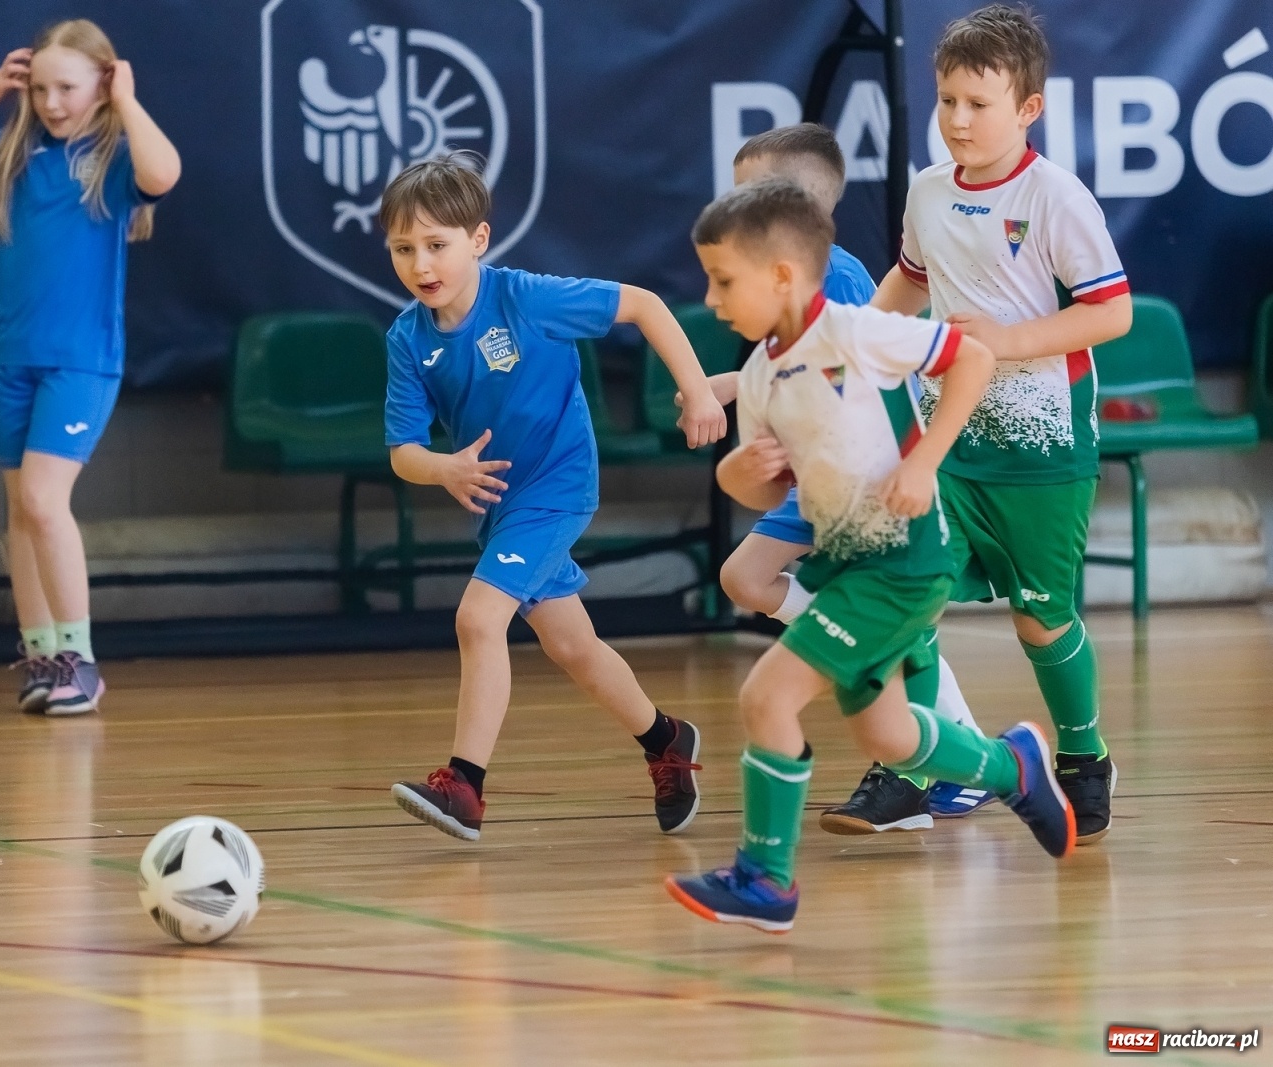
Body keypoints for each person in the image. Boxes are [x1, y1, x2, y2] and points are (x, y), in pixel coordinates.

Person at [665, 178, 1076, 933]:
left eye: (725, 281)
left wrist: (923, 464)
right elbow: (750, 482)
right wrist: (741, 473)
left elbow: (973, 358)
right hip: (851, 562)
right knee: (888, 736)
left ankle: (766, 878)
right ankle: (1011, 765)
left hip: (905, 562)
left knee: (768, 697)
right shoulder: (760, 372)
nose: (713, 299)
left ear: (783, 275)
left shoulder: (857, 331)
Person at [381, 153, 727, 841]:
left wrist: (694, 388)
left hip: (559, 484)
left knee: (480, 620)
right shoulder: (407, 338)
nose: (422, 262)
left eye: (437, 245)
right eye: (403, 248)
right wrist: (444, 468)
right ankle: (666, 740)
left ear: (477, 241)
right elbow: (403, 452)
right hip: (504, 505)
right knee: (572, 646)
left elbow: (644, 304)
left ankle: (466, 788)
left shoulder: (524, 298)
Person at [869, 4, 1131, 843]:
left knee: (1038, 619)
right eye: (946, 100)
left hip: (1043, 446)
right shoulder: (928, 190)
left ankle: (1083, 756)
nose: (956, 120)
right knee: (906, 598)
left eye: (978, 104)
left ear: (1028, 109)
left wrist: (1013, 341)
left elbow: (1112, 313)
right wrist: (849, 359)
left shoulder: (1056, 197)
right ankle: (914, 764)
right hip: (947, 440)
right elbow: (908, 283)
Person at [713, 123, 994, 831]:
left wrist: (917, 461)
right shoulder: (768, 297)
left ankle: (954, 765)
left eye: (753, 195)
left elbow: (894, 374)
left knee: (890, 629)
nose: (736, 207)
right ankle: (944, 742)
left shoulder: (834, 284)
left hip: (868, 485)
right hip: (820, 481)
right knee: (749, 579)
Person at [0, 19, 180, 715]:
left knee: (42, 500)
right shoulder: (13, 152)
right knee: (20, 514)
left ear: (103, 83)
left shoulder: (115, 159)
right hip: (13, 357)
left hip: (80, 362)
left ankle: (82, 660)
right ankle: (42, 654)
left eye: (68, 87)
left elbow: (164, 173)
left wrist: (128, 102)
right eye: (40, 88)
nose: (53, 102)